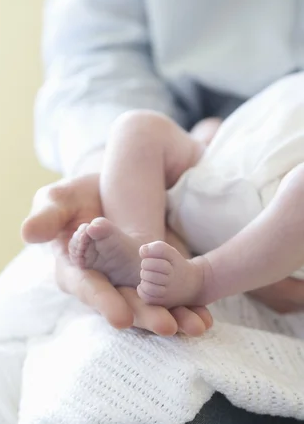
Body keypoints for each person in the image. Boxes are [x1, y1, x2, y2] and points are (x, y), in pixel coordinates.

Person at [22, 0, 304, 424]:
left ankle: (197, 275)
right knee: (134, 129)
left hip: (269, 215)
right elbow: (98, 52)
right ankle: (141, 245)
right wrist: (112, 173)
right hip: (221, 147)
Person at [68, 73, 304, 311]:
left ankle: (203, 279)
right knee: (137, 126)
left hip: (286, 228)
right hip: (215, 162)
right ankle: (140, 245)